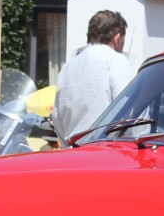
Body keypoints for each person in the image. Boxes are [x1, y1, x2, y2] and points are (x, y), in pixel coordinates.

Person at [55, 10, 135, 142]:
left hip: (72, 150)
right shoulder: (117, 61)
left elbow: (57, 117)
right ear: (117, 38)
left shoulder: (67, 67)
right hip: (107, 151)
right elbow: (129, 110)